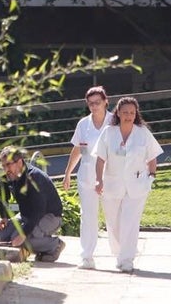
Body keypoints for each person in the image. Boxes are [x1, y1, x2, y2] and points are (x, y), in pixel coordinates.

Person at [93, 96, 163, 273]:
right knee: (113, 223)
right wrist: (99, 180)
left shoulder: (143, 133)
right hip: (112, 185)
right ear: (118, 113)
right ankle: (120, 253)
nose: (129, 116)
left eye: (132, 113)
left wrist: (151, 178)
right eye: (125, 112)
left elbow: (152, 157)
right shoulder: (109, 132)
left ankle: (127, 259)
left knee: (130, 222)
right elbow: (100, 159)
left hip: (137, 185)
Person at [62, 86, 110, 269]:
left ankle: (123, 254)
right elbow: (78, 150)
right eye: (91, 103)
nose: (94, 106)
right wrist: (68, 173)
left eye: (97, 102)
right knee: (88, 217)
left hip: (111, 176)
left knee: (114, 216)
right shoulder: (83, 124)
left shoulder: (114, 121)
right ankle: (87, 256)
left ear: (105, 102)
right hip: (87, 176)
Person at [0, 146, 66, 262]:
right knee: (1, 235)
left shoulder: (34, 177)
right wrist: (4, 218)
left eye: (8, 165)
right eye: (3, 166)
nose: (5, 169)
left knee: (20, 238)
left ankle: (55, 244)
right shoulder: (8, 176)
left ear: (19, 162)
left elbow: (38, 211)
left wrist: (23, 233)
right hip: (26, 215)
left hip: (49, 216)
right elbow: (2, 198)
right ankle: (31, 246)